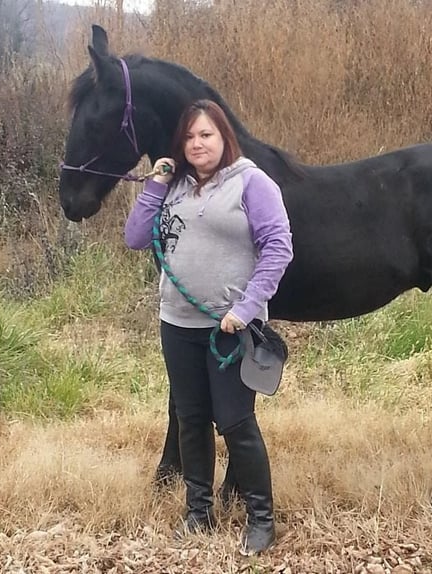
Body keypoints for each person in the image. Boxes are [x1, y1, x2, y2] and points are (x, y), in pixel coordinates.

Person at [123, 99, 293, 555]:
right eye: (190, 137)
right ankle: (198, 512)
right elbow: (135, 237)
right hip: (176, 323)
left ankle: (262, 519)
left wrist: (247, 307)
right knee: (190, 419)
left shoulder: (252, 183)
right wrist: (156, 183)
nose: (197, 144)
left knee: (236, 422)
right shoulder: (173, 186)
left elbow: (278, 248)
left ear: (224, 138)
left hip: (230, 329)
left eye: (207, 135)